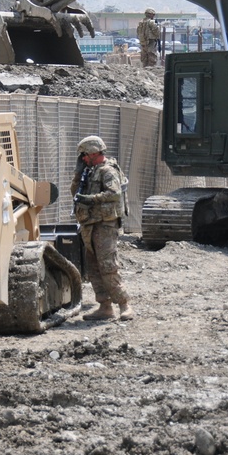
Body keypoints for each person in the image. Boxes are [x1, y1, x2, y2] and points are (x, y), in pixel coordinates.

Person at [72, 135, 133, 321]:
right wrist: (77, 174)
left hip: (105, 224)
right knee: (93, 267)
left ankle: (124, 305)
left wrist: (91, 199)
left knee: (108, 265)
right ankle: (104, 306)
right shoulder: (89, 171)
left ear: (93, 153)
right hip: (90, 224)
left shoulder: (107, 171)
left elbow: (113, 194)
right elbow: (75, 192)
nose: (82, 159)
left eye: (84, 155)